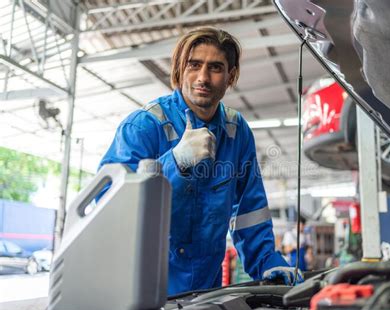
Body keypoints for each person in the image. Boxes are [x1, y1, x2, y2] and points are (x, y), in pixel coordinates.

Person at [99, 27, 303, 295]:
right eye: (194, 65)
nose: (203, 77)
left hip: (206, 295)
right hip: (142, 294)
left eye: (216, 68)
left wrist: (268, 263)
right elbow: (107, 206)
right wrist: (175, 162)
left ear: (230, 76)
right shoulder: (144, 126)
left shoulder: (236, 132)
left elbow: (249, 211)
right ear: (180, 69)